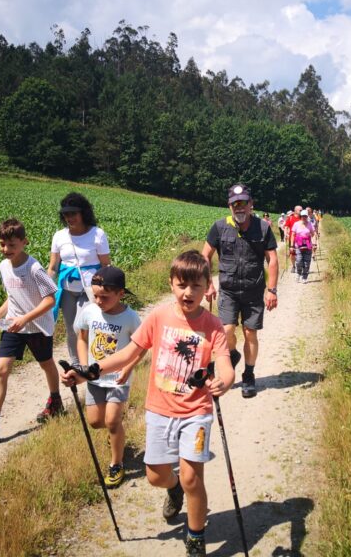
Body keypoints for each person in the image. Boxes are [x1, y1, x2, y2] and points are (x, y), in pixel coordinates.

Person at [62, 250, 234, 557]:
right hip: (159, 410)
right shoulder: (159, 317)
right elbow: (128, 354)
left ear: (208, 286)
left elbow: (225, 363)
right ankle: (174, 487)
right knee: (156, 475)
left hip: (197, 412)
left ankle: (195, 537)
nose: (188, 292)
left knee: (194, 476)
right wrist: (91, 371)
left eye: (196, 286)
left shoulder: (213, 325)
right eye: (182, 285)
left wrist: (225, 380)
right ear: (171, 284)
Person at [0, 218, 61, 443]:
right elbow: (12, 296)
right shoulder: (3, 267)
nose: (6, 250)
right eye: (2, 244)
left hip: (36, 326)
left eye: (12, 245)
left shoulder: (34, 268)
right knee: (0, 370)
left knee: (46, 364)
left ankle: (55, 402)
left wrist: (26, 318)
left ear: (25, 242)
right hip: (14, 326)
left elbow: (50, 300)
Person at [202, 183, 279, 399]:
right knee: (225, 332)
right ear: (229, 206)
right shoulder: (219, 227)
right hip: (228, 290)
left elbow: (272, 259)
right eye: (235, 204)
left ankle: (248, 375)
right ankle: (233, 354)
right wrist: (208, 283)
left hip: (254, 291)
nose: (239, 208)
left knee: (250, 333)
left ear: (251, 204)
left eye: (243, 203)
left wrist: (272, 289)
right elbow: (205, 255)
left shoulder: (262, 228)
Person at [76, 266, 141, 488]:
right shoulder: (89, 311)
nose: (98, 300)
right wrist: (84, 368)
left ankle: (116, 464)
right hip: (94, 378)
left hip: (118, 378)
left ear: (120, 293)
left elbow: (140, 347)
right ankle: (116, 436)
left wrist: (128, 367)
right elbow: (82, 338)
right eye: (95, 295)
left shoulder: (131, 317)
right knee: (96, 422)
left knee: (112, 420)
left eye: (104, 296)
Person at [48, 192, 111, 367]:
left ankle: (91, 362)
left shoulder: (97, 234)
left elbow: (106, 265)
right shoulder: (59, 236)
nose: (69, 218)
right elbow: (53, 267)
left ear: (83, 213)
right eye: (66, 214)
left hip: (90, 289)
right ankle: (76, 363)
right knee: (70, 328)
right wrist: (44, 287)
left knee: (81, 325)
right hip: (67, 289)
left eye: (73, 213)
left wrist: (106, 290)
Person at [291, 209, 316, 284]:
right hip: (298, 244)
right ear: (300, 217)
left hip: (308, 244)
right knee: (298, 261)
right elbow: (293, 234)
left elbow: (313, 234)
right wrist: (292, 246)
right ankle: (298, 273)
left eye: (305, 216)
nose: (304, 218)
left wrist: (314, 243)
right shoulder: (296, 224)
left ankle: (304, 277)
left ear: (307, 216)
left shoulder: (310, 224)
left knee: (307, 262)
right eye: (302, 216)